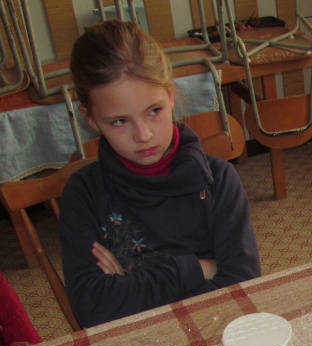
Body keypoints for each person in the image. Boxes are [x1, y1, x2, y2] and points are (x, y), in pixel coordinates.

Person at [59, 20, 260, 328]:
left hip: (219, 332)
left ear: (170, 96)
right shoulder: (83, 193)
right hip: (135, 344)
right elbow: (93, 309)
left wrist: (131, 288)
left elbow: (243, 284)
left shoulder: (219, 179)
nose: (144, 135)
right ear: (92, 119)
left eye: (154, 111)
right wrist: (198, 269)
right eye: (119, 121)